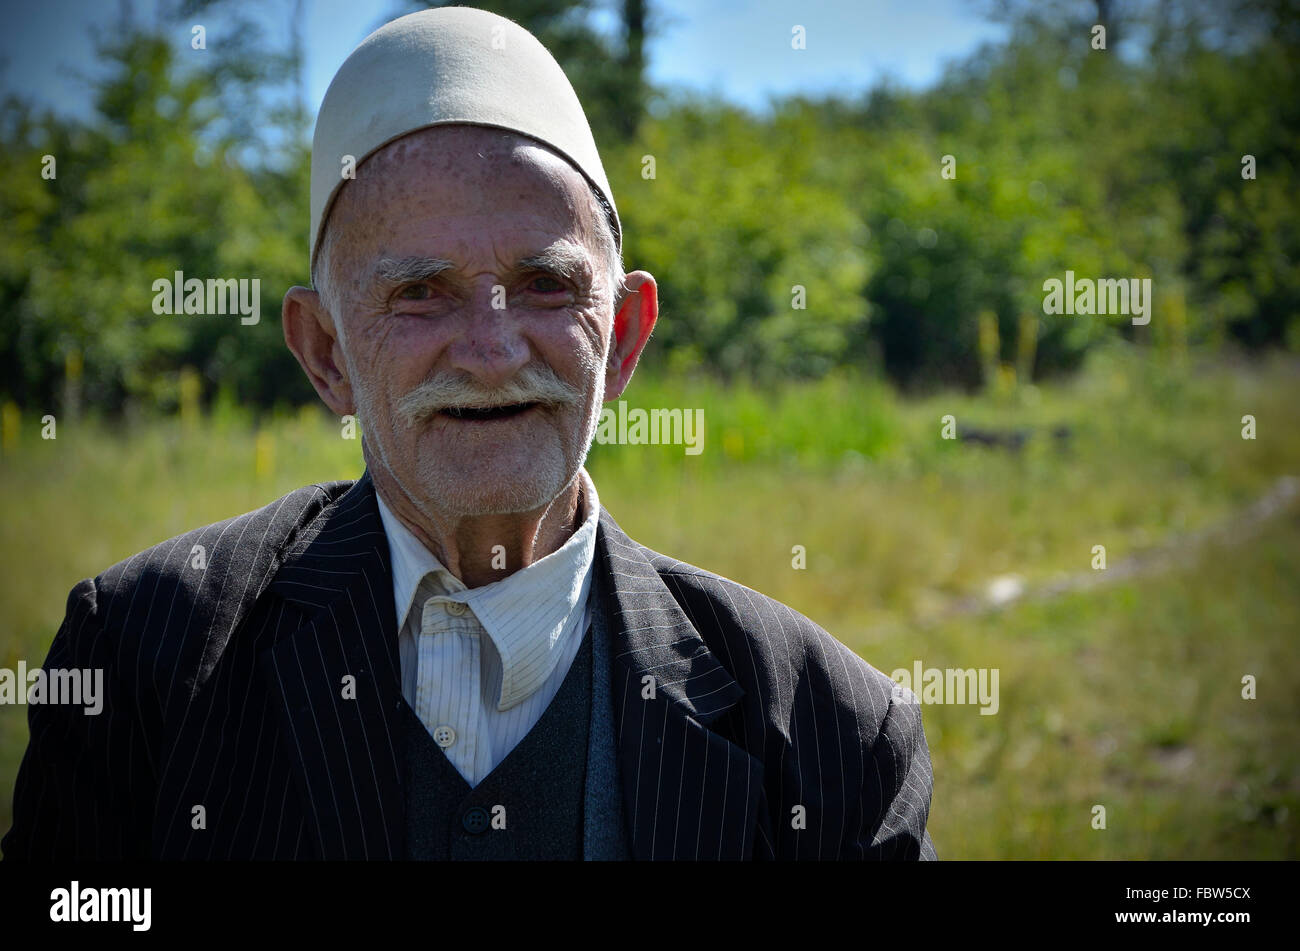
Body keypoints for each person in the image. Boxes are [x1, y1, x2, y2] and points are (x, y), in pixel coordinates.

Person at [2, 6, 935, 861]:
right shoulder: (140, 659)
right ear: (325, 353)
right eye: (421, 293)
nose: (490, 350)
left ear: (621, 336)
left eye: (544, 285)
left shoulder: (834, 733)